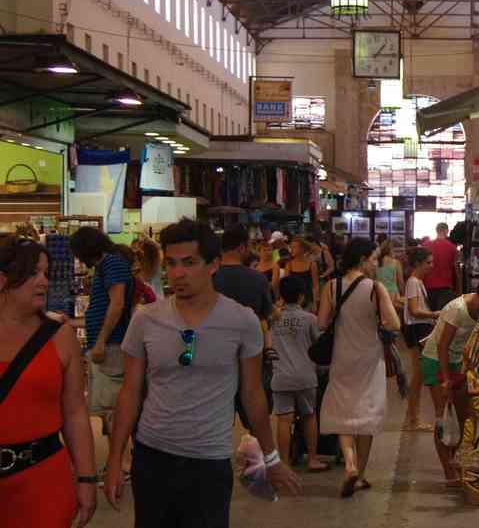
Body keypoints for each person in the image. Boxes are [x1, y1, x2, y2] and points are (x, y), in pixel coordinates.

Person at [103, 219, 300, 525]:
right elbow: (130, 392)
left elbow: (252, 395)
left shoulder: (242, 321)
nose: (177, 273)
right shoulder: (146, 320)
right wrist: (115, 461)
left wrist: (271, 457)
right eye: (171, 263)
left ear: (213, 265)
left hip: (209, 463)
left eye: (189, 263)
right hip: (152, 459)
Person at [0, 236, 98, 527]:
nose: (43, 281)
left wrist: (87, 477)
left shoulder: (59, 336)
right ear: (3, 279)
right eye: (32, 273)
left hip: (43, 480)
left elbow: (75, 413)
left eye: (45, 272)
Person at [317, 238, 401, 498]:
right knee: (367, 410)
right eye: (373, 258)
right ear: (364, 259)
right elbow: (395, 323)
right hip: (369, 358)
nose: (375, 263)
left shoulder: (331, 286)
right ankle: (361, 475)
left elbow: (321, 323)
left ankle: (350, 465)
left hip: (342, 356)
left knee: (344, 409)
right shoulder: (375, 288)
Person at [421, 280, 479, 485]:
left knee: (461, 417)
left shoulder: (478, 307)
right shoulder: (457, 309)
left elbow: (463, 343)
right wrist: (446, 379)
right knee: (444, 418)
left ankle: (454, 462)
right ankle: (449, 473)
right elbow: (442, 345)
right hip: (436, 361)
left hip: (456, 362)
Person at [70, 227, 134, 448]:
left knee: (112, 407)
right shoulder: (106, 265)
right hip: (107, 345)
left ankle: (121, 462)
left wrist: (100, 342)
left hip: (111, 347)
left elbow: (117, 305)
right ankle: (119, 461)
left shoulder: (112, 264)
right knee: (107, 408)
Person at [214, 224, 278, 425]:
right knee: (254, 416)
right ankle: (257, 453)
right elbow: (268, 315)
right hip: (251, 354)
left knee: (218, 415)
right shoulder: (257, 279)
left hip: (216, 354)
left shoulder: (210, 278)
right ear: (242, 247)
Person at [271, 275, 328, 472]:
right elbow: (319, 346)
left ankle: (284, 463)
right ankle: (313, 459)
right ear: (302, 296)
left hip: (281, 377)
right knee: (309, 416)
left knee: (284, 420)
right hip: (306, 376)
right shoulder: (310, 319)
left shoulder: (273, 319)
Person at [402, 246, 438, 431]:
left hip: (419, 327)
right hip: (418, 328)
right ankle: (413, 418)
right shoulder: (414, 282)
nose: (431, 266)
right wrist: (434, 314)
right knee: (418, 374)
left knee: (419, 374)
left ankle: (412, 417)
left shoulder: (417, 282)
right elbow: (414, 310)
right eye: (428, 263)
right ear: (418, 263)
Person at [422, 222, 460, 312]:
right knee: (443, 316)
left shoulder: (425, 246)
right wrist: (458, 288)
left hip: (428, 285)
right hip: (446, 287)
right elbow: (456, 270)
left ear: (436, 230)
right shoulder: (452, 248)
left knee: (429, 314)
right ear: (447, 231)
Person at [287, 238, 320, 312]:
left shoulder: (312, 264)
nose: (291, 250)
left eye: (294, 247)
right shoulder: (289, 265)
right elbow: (286, 286)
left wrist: (315, 302)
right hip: (293, 302)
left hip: (308, 300)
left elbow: (315, 285)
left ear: (302, 249)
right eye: (291, 247)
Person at [375, 235, 405, 313]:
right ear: (390, 249)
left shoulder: (376, 263)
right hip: (393, 294)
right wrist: (403, 294)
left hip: (379, 293)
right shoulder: (395, 262)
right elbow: (400, 282)